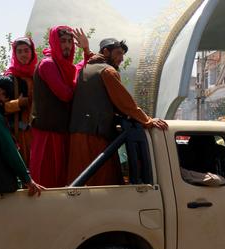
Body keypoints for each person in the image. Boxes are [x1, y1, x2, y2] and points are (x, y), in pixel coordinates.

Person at [67, 38, 168, 186]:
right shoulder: (107, 71)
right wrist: (147, 120)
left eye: (123, 55)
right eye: (118, 53)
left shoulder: (87, 67)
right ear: (105, 52)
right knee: (103, 184)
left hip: (78, 134)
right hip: (95, 137)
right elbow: (125, 103)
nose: (121, 58)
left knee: (79, 185)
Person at [30, 26, 92, 188]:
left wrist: (86, 49)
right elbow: (66, 94)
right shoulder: (48, 65)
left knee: (63, 182)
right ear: (54, 43)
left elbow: (80, 69)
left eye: (70, 42)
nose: (67, 45)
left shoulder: (65, 66)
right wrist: (77, 81)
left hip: (61, 132)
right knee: (47, 182)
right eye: (62, 41)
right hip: (48, 135)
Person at [3, 36, 38, 165]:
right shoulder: (9, 78)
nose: (23, 54)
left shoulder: (39, 74)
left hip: (37, 133)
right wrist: (17, 104)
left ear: (32, 52)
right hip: (17, 135)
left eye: (26, 50)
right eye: (19, 51)